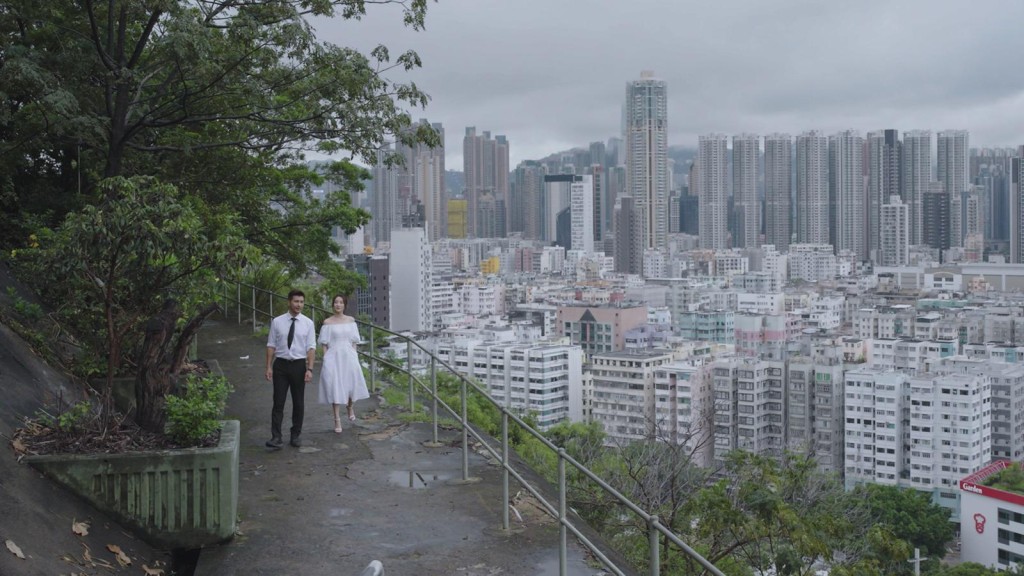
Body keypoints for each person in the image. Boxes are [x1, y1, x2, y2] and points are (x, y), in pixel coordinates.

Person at [265, 289, 316, 449]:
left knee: (298, 402)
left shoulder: (308, 323)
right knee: (278, 402)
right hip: (280, 364)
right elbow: (271, 345)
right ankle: (276, 437)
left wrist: (310, 369)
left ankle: (295, 435)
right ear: (289, 302)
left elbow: (311, 348)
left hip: (299, 365)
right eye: (296, 301)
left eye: (301, 302)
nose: (298, 305)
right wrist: (268, 367)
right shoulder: (277, 322)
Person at [318, 294, 369, 433]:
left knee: (352, 383)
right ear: (333, 305)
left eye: (341, 302)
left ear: (344, 305)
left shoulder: (350, 321)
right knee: (335, 386)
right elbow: (324, 343)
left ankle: (350, 406)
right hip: (334, 356)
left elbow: (354, 341)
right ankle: (337, 420)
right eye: (336, 302)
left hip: (349, 355)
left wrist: (355, 356)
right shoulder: (328, 322)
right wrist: (326, 358)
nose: (338, 305)